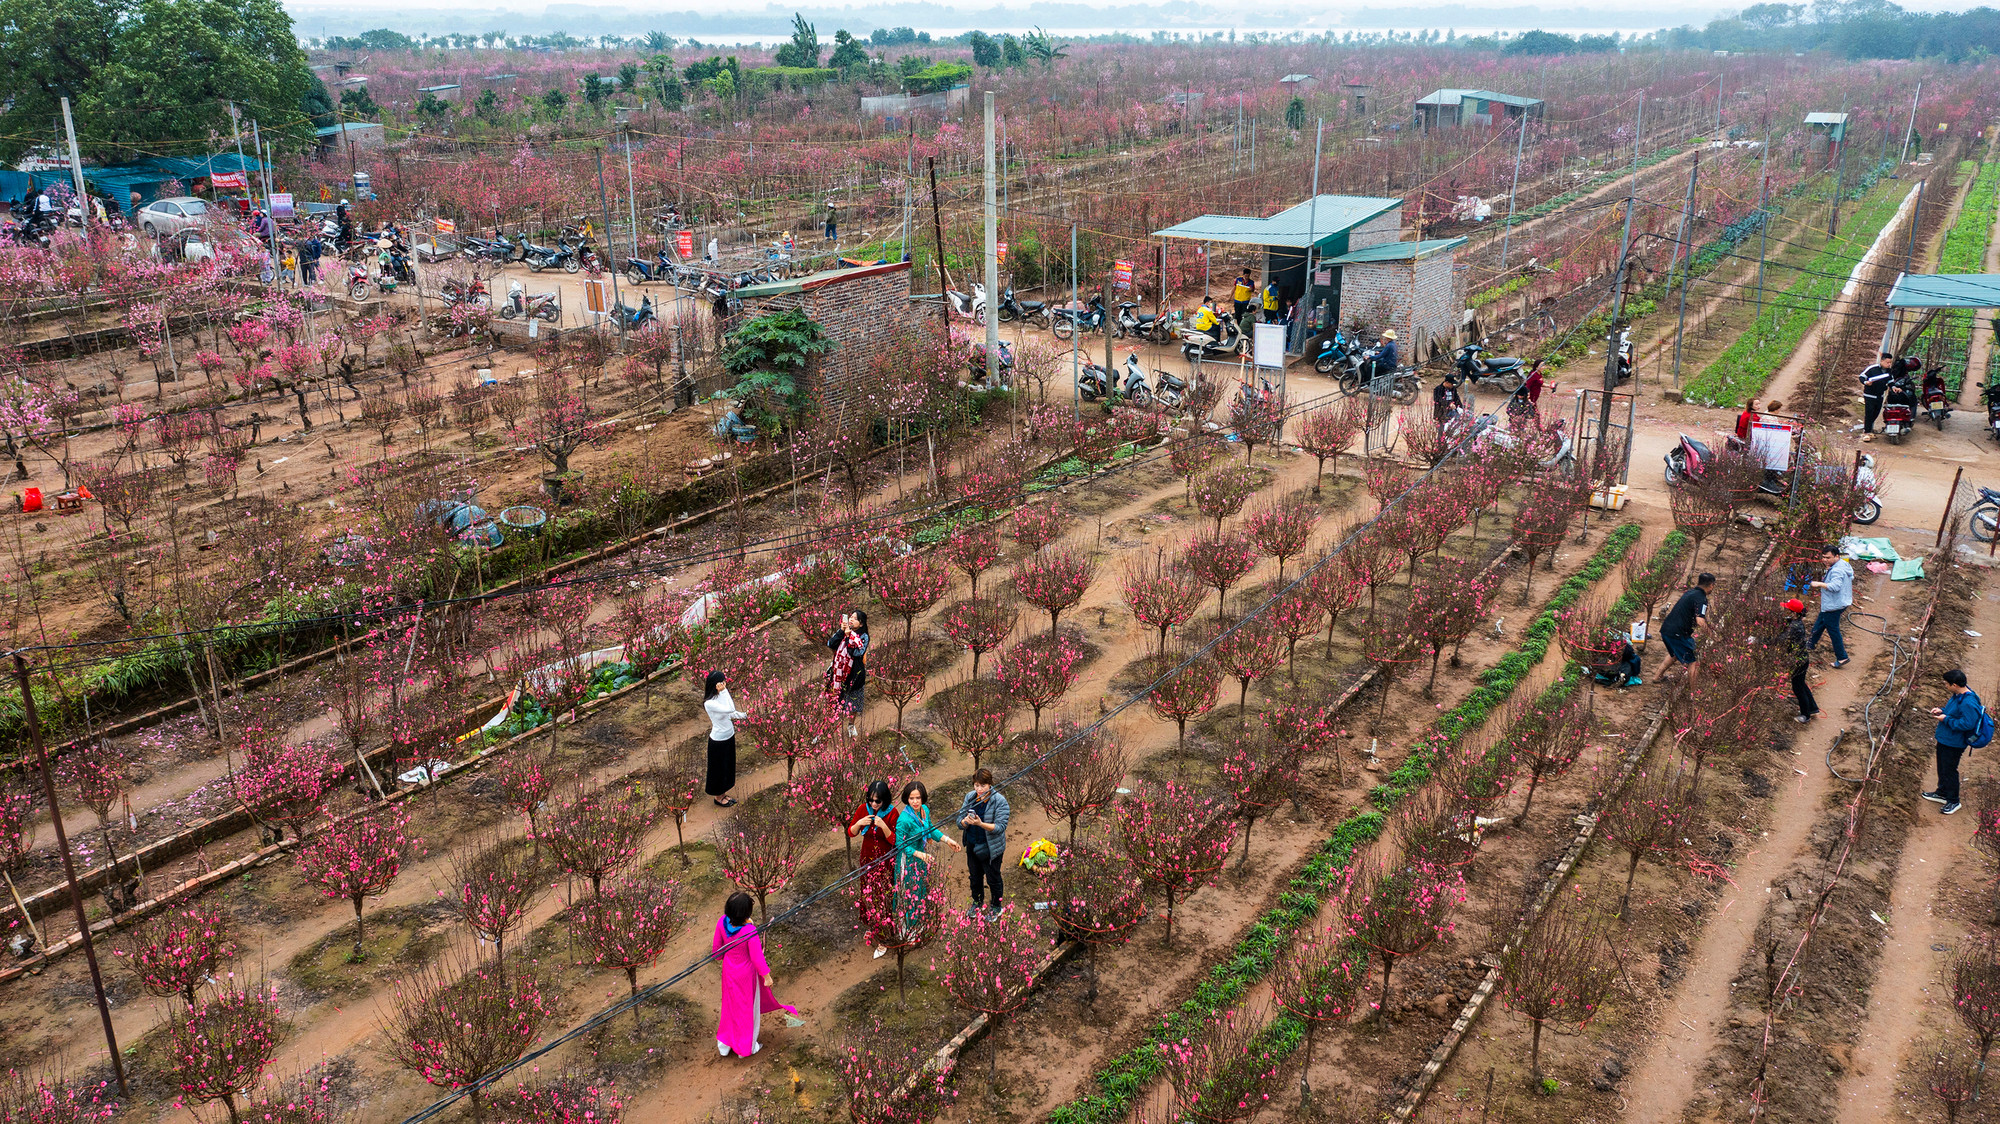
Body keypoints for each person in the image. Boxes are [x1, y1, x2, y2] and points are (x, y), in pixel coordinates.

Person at [712, 891, 795, 1057]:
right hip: (746, 976)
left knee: (729, 1006)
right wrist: (767, 976)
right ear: (746, 914)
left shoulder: (722, 922)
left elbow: (717, 954)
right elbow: (757, 958)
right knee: (747, 1009)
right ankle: (746, 1047)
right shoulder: (749, 932)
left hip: (729, 972)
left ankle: (725, 1044)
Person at [891, 781, 960, 926]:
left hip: (921, 857)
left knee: (920, 889)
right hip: (907, 860)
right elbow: (900, 844)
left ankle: (918, 922)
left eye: (918, 798)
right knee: (908, 893)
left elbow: (929, 829)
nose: (915, 802)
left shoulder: (924, 811)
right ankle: (906, 928)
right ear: (906, 799)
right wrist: (918, 854)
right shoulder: (904, 820)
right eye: (911, 798)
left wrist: (947, 840)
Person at [1924, 669, 1987, 815]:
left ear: (1954, 685)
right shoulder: (1958, 695)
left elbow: (1967, 724)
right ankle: (1942, 792)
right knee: (1942, 767)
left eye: (1946, 684)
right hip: (1945, 739)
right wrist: (1942, 710)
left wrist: (1945, 719)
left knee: (1949, 770)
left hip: (1954, 743)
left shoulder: (1968, 702)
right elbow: (1953, 712)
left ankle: (1953, 801)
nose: (1945, 686)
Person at [848, 781, 900, 956]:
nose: (874, 804)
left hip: (885, 861)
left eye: (878, 801)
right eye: (871, 800)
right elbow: (851, 832)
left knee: (883, 895)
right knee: (868, 894)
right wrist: (860, 822)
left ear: (885, 800)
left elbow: (896, 840)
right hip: (867, 859)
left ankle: (884, 935)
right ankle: (872, 925)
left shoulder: (892, 813)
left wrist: (883, 826)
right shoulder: (864, 809)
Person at [955, 769, 1011, 919]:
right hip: (972, 844)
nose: (979, 789)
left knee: (993, 878)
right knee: (975, 876)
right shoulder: (970, 797)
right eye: (976, 785)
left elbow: (1000, 827)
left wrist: (980, 824)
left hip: (991, 847)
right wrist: (965, 821)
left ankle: (996, 906)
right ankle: (977, 902)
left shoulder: (999, 801)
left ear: (990, 784)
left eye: (983, 786)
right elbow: (959, 821)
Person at [824, 610, 869, 736]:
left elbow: (856, 653)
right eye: (851, 617)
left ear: (861, 624)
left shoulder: (863, 636)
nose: (851, 619)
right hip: (838, 675)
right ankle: (827, 728)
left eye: (855, 618)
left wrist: (850, 637)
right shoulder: (843, 631)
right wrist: (841, 631)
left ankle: (851, 725)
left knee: (853, 703)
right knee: (834, 702)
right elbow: (830, 643)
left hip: (854, 675)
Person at [1806, 544, 1853, 668]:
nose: (1825, 560)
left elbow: (1835, 586)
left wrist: (1819, 584)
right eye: (1823, 557)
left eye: (1828, 558)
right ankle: (1810, 643)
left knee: (1833, 630)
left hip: (1834, 604)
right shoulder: (1842, 564)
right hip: (1839, 601)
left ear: (1836, 556)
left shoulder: (1837, 570)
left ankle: (1842, 657)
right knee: (1821, 622)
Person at [1659, 572, 1714, 676]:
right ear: (1711, 585)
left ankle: (1657, 676)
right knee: (1693, 661)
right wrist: (1712, 635)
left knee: (1675, 653)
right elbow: (1700, 621)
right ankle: (1693, 692)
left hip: (1667, 629)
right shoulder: (1701, 599)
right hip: (1677, 634)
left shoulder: (1691, 593)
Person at [704, 670, 745, 807]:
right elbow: (730, 708)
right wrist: (724, 691)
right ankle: (718, 797)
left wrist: (746, 715)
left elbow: (732, 713)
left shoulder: (720, 697)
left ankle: (723, 794)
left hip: (729, 737)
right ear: (714, 685)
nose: (723, 684)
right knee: (718, 769)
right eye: (721, 682)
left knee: (727, 767)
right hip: (718, 741)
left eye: (724, 682)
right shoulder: (709, 703)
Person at [1781, 598, 1819, 723]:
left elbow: (1779, 640)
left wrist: (1758, 640)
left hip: (1799, 662)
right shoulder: (1796, 622)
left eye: (1787, 609)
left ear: (1794, 613)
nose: (1784, 610)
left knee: (1798, 687)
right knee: (1801, 684)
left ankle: (1805, 715)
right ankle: (1812, 708)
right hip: (1802, 659)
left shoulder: (1794, 627)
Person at [1858, 352, 1893, 435]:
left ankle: (1868, 427)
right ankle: (1867, 432)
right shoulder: (1873, 369)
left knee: (1876, 413)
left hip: (1880, 395)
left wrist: (1894, 387)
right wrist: (1866, 382)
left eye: (1890, 363)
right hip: (1869, 395)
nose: (1889, 364)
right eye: (1887, 362)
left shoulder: (1889, 371)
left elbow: (1891, 381)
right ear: (1882, 361)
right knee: (1869, 412)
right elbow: (1862, 376)